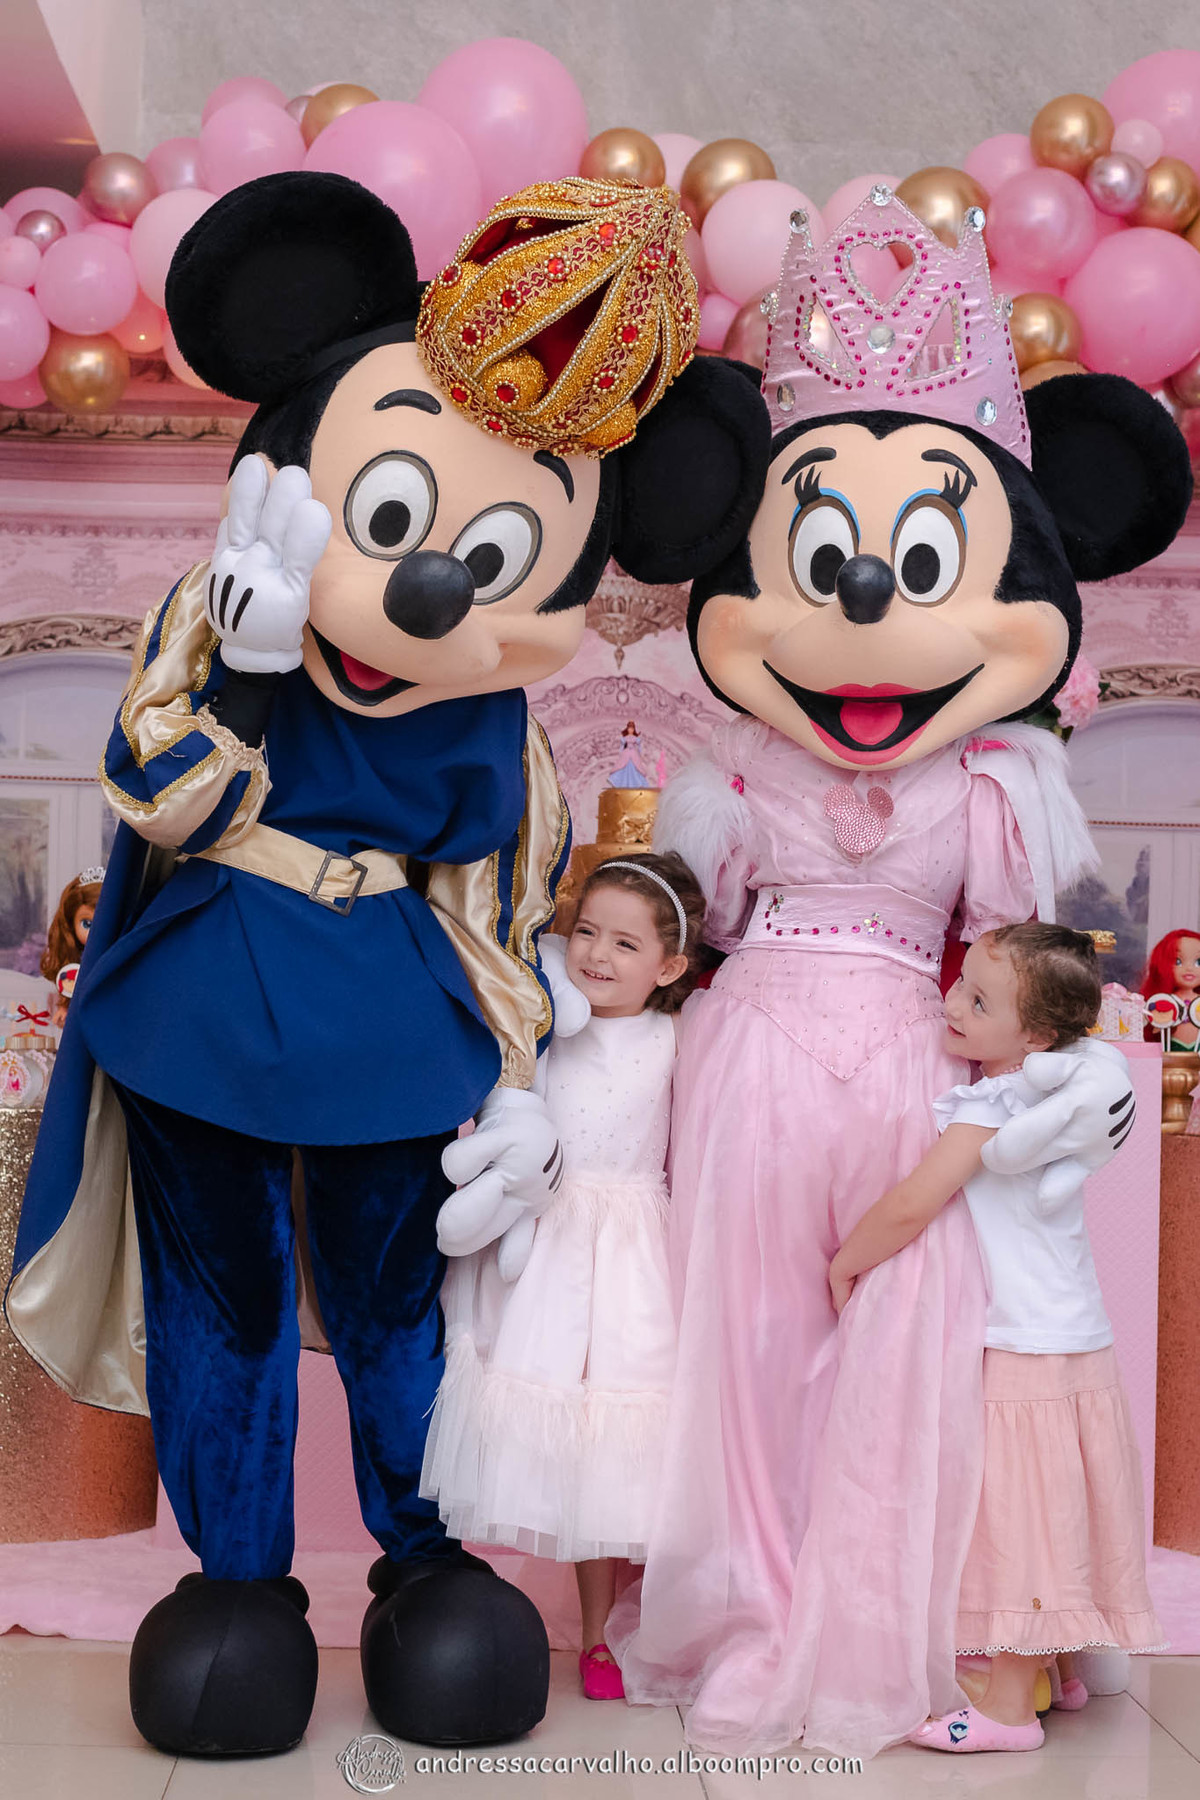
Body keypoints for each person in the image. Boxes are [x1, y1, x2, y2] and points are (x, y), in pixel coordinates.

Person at [829, 924, 1162, 1753]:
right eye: (960, 985)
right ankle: (1060, 1671)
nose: (953, 1005)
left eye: (979, 1002)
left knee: (1022, 1523)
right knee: (1060, 1508)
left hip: (1021, 1340)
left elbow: (914, 1202)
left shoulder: (994, 1106)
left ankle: (1010, 1708)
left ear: (1037, 1036)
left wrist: (846, 1261)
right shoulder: (1065, 1086)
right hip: (1076, 1330)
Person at [422, 851, 706, 1700]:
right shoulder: (544, 1026)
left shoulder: (678, 1039)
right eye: (587, 931)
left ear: (670, 968)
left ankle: (661, 1627)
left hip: (634, 1249)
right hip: (546, 1239)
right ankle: (594, 1635)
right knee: (572, 1444)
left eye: (625, 943)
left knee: (627, 1445)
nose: (597, 955)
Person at [39, 868, 103, 1026]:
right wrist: (65, 1008)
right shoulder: (76, 961)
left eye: (104, 923)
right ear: (71, 924)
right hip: (84, 1021)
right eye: (87, 924)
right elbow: (70, 987)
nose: (95, 933)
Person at [1139, 927, 1200, 1050]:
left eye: (1198, 962)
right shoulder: (1164, 1001)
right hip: (1170, 1053)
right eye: (1178, 961)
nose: (1189, 968)